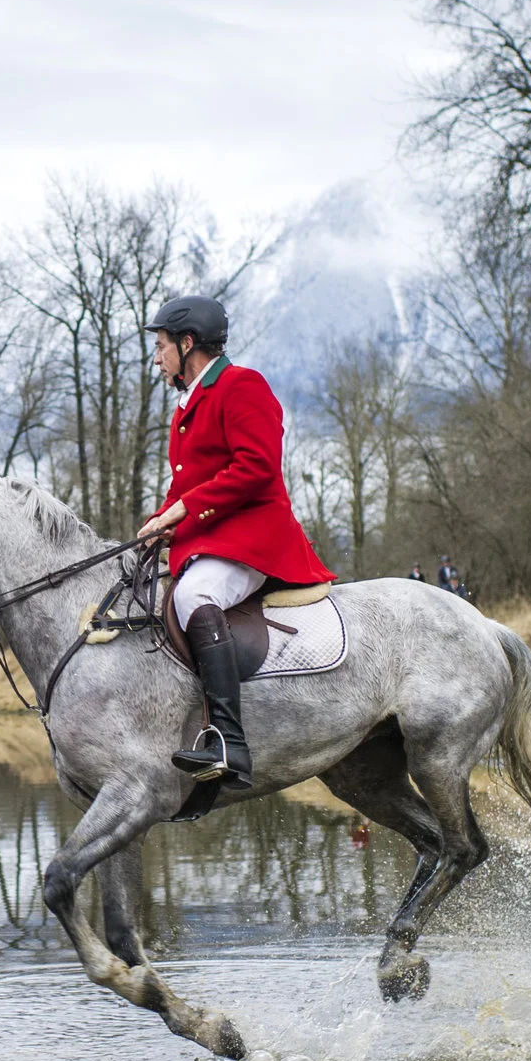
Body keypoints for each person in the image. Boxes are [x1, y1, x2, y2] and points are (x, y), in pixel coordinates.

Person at [136, 294, 333, 790]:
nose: (156, 358)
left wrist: (182, 510)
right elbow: (183, 488)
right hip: (211, 536)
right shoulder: (187, 406)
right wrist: (158, 523)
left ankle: (229, 741)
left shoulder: (243, 386)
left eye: (161, 347)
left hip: (254, 537)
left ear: (187, 344)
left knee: (191, 596)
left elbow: (255, 467)